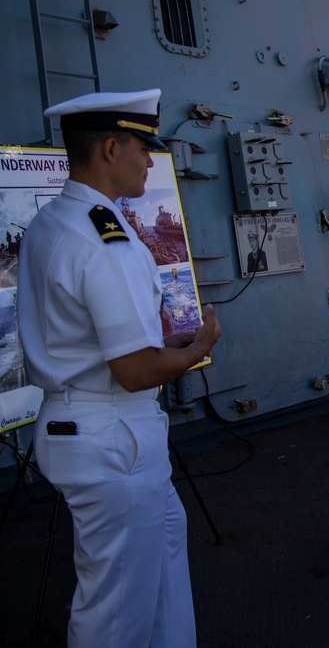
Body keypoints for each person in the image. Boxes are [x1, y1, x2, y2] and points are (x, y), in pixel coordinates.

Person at [17, 89, 222, 647]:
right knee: (115, 612)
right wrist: (198, 345)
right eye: (143, 148)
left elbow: (94, 340)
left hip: (85, 425)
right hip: (113, 435)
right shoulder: (105, 237)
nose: (149, 161)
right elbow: (133, 371)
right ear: (111, 147)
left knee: (162, 558)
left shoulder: (53, 222)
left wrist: (172, 343)